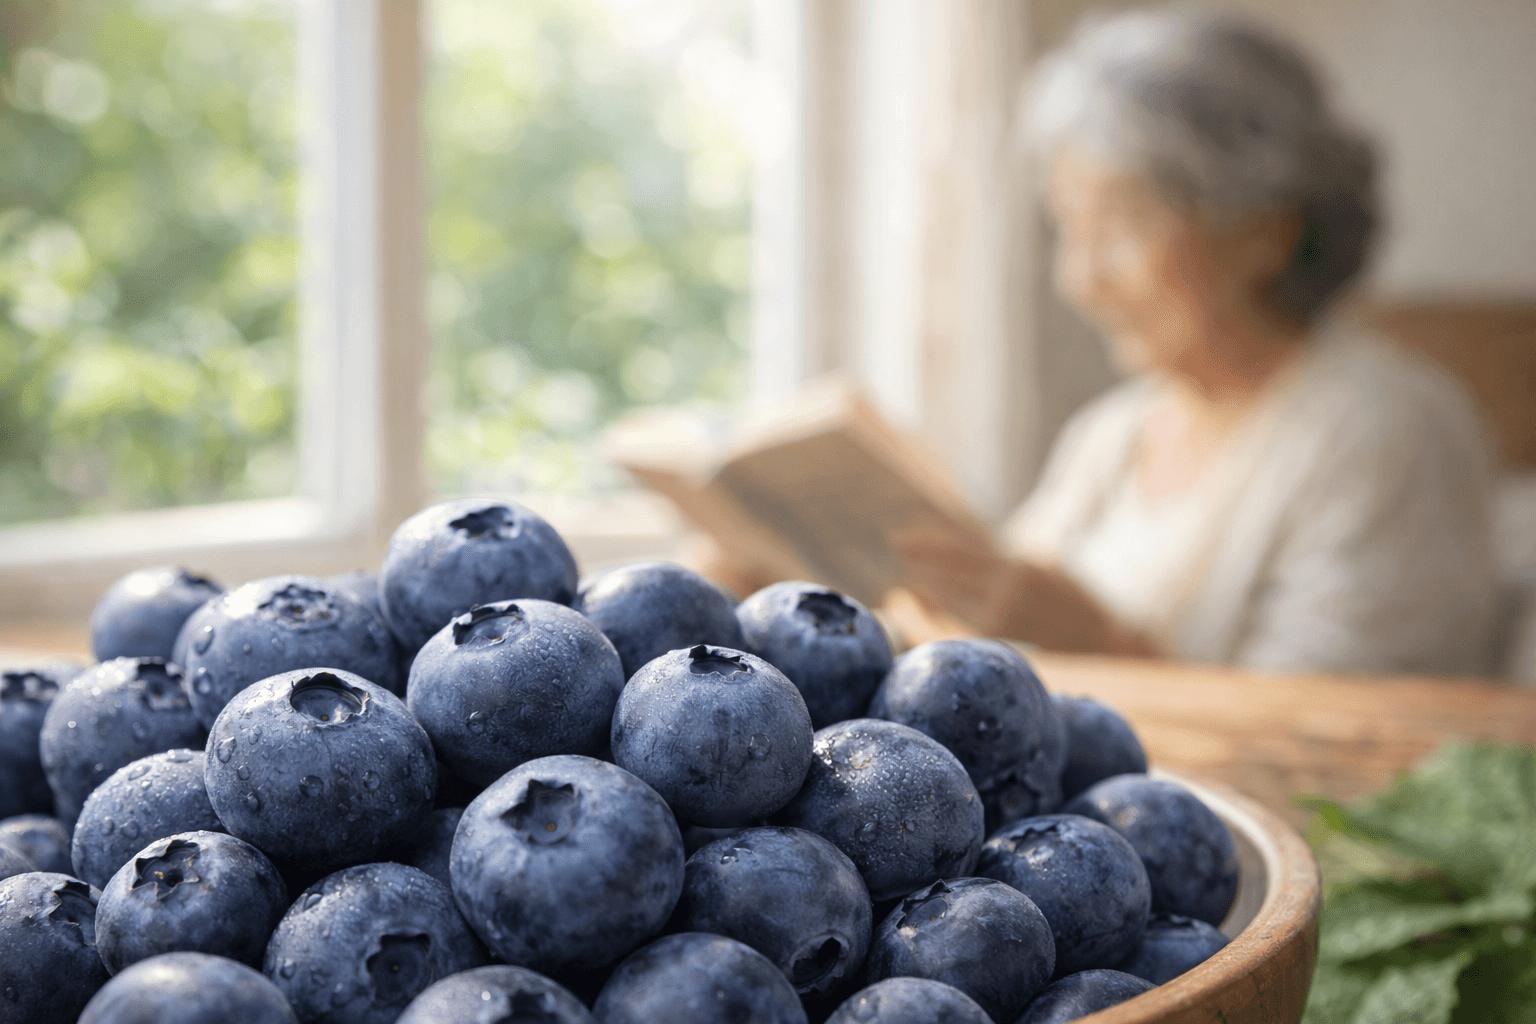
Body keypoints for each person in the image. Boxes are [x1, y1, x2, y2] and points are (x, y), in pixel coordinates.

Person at [890, 7, 1499, 676]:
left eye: (1121, 230)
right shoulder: (1113, 436)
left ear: (1264, 232)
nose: (1081, 280)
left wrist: (1100, 642)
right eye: (1071, 229)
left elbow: (1339, 749)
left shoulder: (1387, 432)